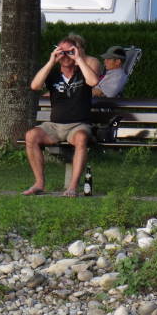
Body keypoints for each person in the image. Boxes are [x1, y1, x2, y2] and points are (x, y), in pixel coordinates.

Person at [22, 34, 102, 198]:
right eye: (62, 52)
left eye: (69, 52)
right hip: (55, 126)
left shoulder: (83, 71)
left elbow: (94, 82)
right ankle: (39, 183)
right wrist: (52, 60)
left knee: (81, 139)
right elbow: (35, 85)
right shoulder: (52, 74)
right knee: (31, 136)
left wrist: (79, 59)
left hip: (78, 125)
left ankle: (72, 187)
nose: (65, 56)